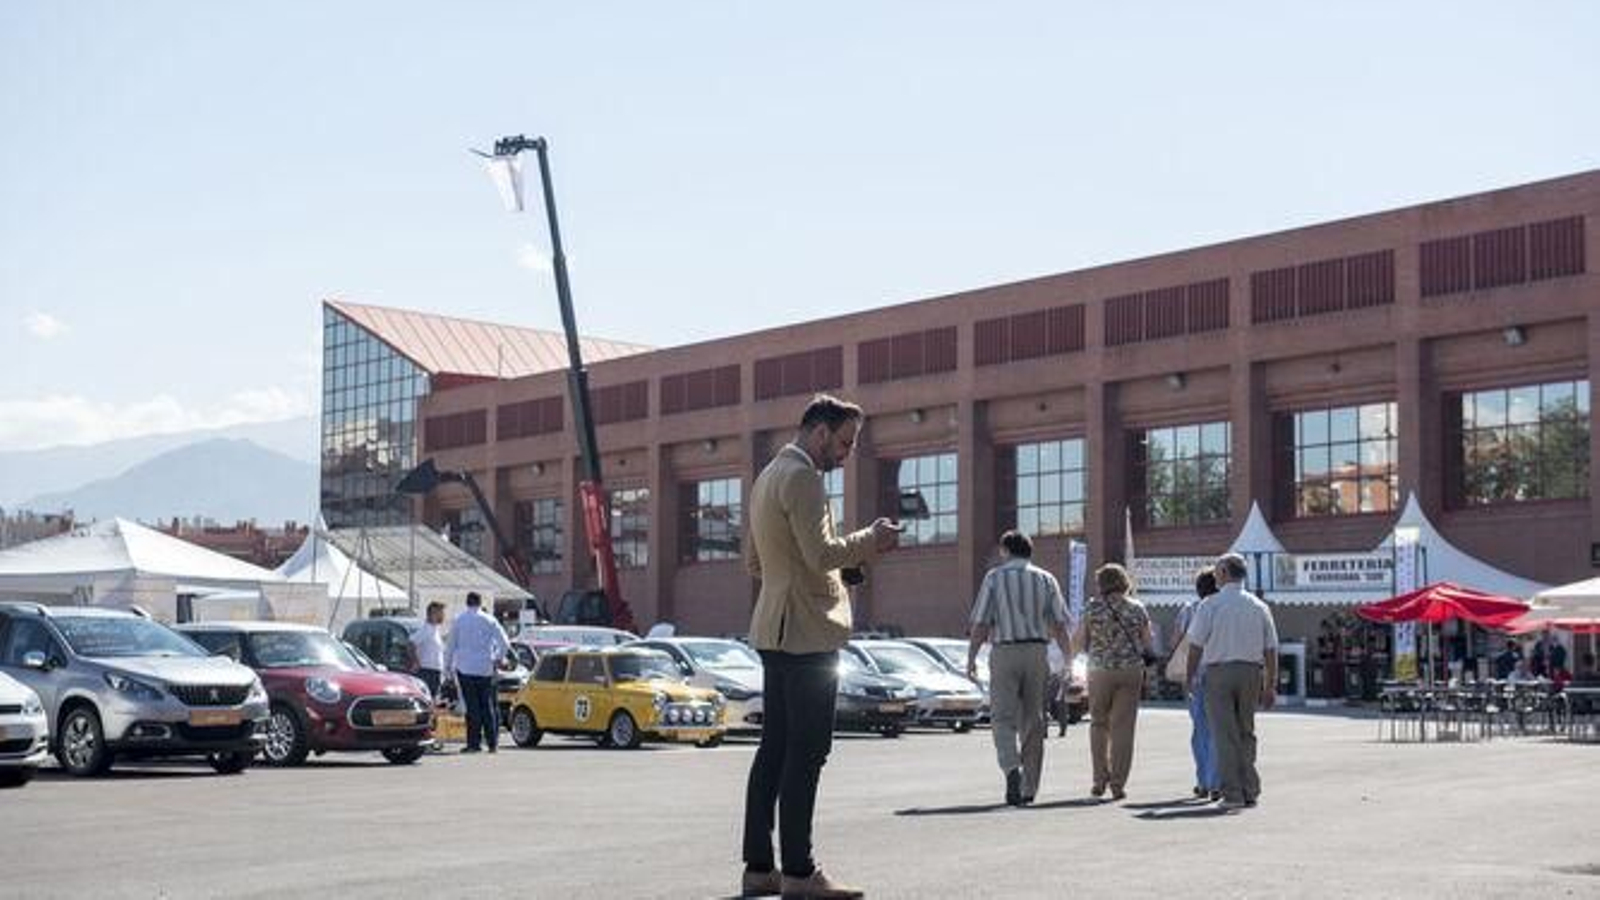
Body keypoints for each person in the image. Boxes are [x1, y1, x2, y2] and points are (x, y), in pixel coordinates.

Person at [739, 394, 901, 900]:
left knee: (774, 749)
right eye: (846, 442)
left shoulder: (767, 476)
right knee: (807, 753)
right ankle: (800, 872)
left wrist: (815, 571)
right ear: (820, 432)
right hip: (807, 634)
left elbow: (754, 562)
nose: (847, 454)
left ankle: (759, 868)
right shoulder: (804, 478)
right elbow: (821, 553)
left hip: (772, 628)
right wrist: (871, 540)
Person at [966, 530, 1073, 807]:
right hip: (1037, 651)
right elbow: (1060, 624)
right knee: (1034, 720)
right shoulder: (1046, 578)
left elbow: (981, 623)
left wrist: (971, 657)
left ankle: (1011, 767)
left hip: (1004, 650)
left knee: (1001, 717)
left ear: (1005, 550)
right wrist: (1068, 658)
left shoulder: (994, 577)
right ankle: (1029, 787)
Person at [1185, 553, 1278, 812]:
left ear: (1225, 572)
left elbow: (1195, 646)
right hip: (1251, 672)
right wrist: (1271, 684)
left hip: (1218, 673)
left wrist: (1190, 676)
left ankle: (1232, 792)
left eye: (1217, 570)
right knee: (1246, 731)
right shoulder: (1259, 606)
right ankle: (1250, 789)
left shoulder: (1210, 605)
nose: (1215, 575)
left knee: (1224, 734)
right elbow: (1271, 649)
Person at [1073, 562, 1152, 801]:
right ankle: (1118, 784)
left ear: (1102, 585)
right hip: (1130, 671)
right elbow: (1148, 642)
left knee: (1098, 724)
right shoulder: (1137, 608)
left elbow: (1078, 640)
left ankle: (1099, 780)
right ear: (1124, 582)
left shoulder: (1092, 608)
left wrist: (1070, 662)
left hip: (1099, 670)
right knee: (1123, 728)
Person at [1172, 569, 1220, 799]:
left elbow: (1176, 641)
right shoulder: (1222, 608)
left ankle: (1203, 781)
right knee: (1218, 729)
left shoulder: (1188, 610)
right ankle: (1216, 781)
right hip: (1218, 673)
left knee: (1200, 730)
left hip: (1195, 676)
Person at [445, 592, 510, 754]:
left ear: (467, 603)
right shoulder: (490, 620)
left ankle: (473, 743)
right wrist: (497, 658)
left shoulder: (459, 620)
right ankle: (492, 743)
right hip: (485, 668)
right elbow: (505, 643)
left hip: (465, 668)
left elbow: (450, 646)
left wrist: (447, 668)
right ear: (480, 603)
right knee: (487, 706)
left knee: (472, 707)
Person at [411, 601, 446, 699]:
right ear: (433, 613)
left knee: (433, 700)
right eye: (441, 613)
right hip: (427, 671)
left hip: (435, 671)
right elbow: (411, 643)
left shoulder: (435, 629)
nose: (443, 616)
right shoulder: (426, 629)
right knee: (428, 700)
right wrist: (416, 661)